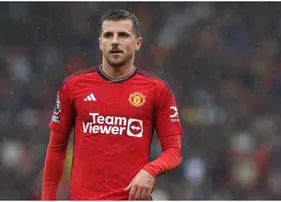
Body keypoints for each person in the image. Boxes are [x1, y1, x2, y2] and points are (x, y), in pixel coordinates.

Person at [42, 9, 183, 200]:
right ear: (100, 43)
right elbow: (56, 149)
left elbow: (174, 151)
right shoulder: (73, 86)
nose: (115, 41)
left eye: (123, 35)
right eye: (109, 35)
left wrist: (151, 170)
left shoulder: (157, 90)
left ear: (137, 43)